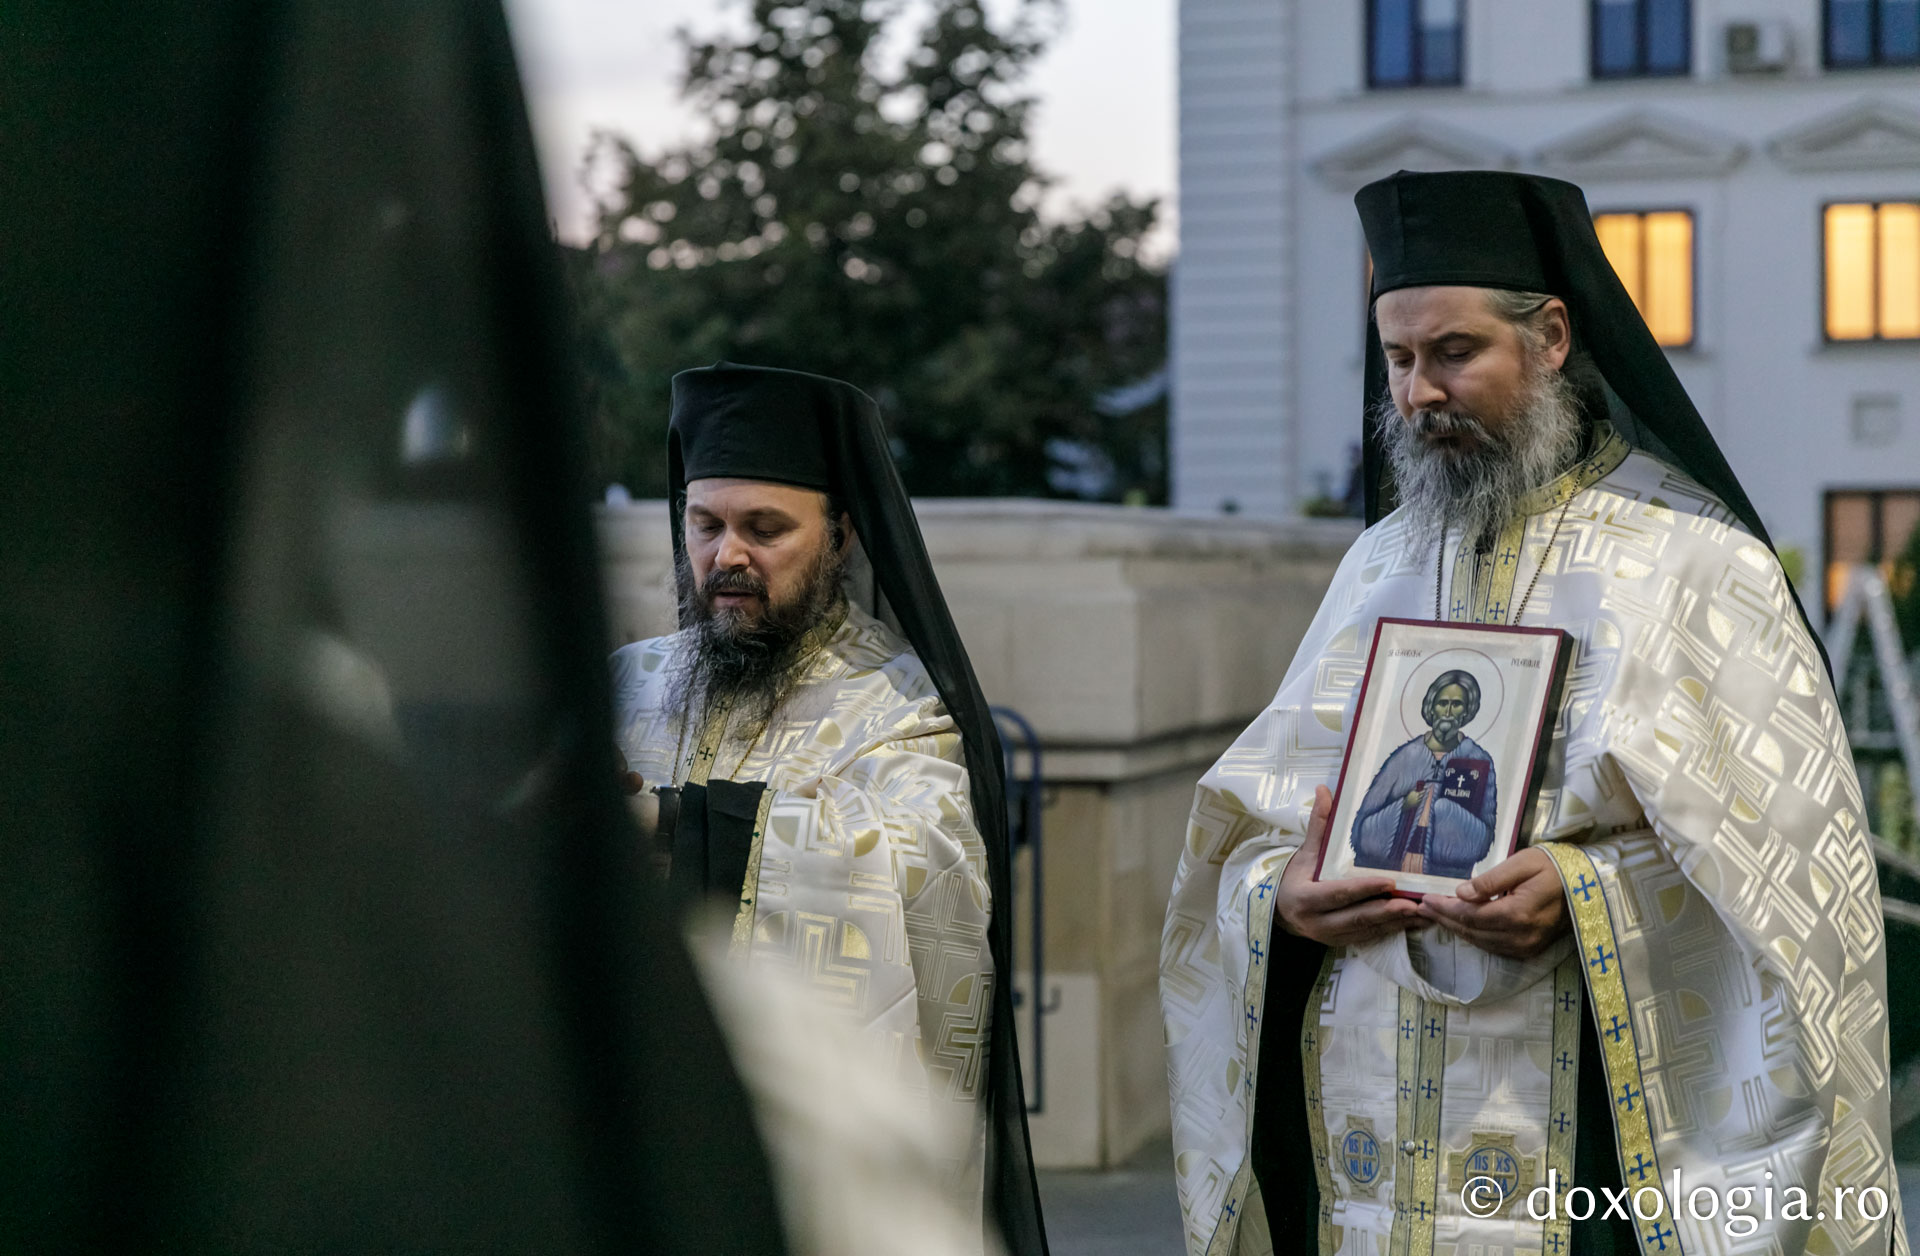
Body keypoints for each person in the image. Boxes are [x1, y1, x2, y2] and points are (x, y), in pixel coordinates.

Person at [1161, 171, 1905, 1256]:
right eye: (1399, 359)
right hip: (1376, 1144)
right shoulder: (1379, 564)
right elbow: (1254, 826)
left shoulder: (1696, 563)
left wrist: (1588, 885)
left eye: (1455, 352)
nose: (1419, 391)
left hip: (1598, 1147)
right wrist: (1287, 896)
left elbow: (1793, 890)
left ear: (1552, 336)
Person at [611, 363, 1047, 1256]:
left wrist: (676, 827)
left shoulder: (902, 709)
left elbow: (922, 866)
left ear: (841, 537)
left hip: (809, 1147)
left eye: (765, 529)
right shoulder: (626, 683)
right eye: (706, 526)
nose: (727, 557)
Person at [1351, 670, 1496, 877]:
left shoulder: (1478, 759)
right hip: (1390, 869)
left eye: (1456, 705)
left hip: (1446, 873)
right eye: (1442, 703)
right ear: (1431, 707)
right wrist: (1403, 805)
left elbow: (1485, 833)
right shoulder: (1405, 757)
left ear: (1467, 711)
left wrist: (1445, 812)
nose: (1447, 711)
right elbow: (1363, 827)